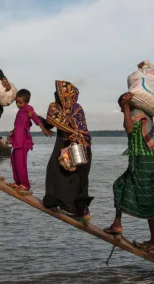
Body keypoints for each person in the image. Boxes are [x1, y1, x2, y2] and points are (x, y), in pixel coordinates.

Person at [104, 92, 154, 250]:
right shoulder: (142, 113)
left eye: (121, 107)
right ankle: (117, 224)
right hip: (137, 161)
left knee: (147, 200)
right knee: (119, 186)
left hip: (144, 162)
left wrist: (127, 105)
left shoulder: (139, 115)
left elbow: (129, 128)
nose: (122, 111)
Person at [41, 80, 92, 225]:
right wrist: (36, 119)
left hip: (78, 147)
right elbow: (50, 122)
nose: (55, 95)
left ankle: (81, 212)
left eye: (58, 93)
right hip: (69, 145)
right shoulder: (56, 107)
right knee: (56, 173)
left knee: (77, 180)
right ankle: (58, 204)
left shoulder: (74, 108)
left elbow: (76, 126)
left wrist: (71, 131)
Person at [7, 89, 52, 192]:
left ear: (27, 101)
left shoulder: (28, 108)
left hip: (23, 141)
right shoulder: (20, 110)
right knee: (14, 161)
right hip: (17, 141)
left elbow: (36, 119)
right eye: (17, 102)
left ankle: (25, 184)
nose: (18, 104)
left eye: (20, 102)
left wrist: (44, 130)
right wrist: (12, 131)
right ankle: (18, 183)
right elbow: (20, 124)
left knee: (20, 163)